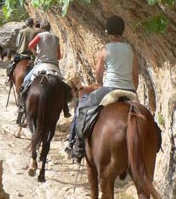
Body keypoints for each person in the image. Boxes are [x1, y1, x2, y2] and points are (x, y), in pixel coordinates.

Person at [66, 15, 139, 161]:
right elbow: (135, 77)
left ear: (107, 32)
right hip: (130, 90)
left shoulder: (104, 49)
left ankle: (77, 145)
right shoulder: (131, 50)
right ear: (123, 31)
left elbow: (98, 75)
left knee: (82, 106)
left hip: (110, 88)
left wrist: (99, 84)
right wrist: (132, 89)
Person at [17, 20, 72, 124]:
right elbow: (59, 56)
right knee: (63, 85)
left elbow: (30, 45)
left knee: (26, 80)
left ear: (41, 28)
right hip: (53, 66)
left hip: (41, 64)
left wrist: (36, 52)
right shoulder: (56, 38)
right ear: (50, 28)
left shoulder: (39, 36)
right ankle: (65, 109)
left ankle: (22, 105)